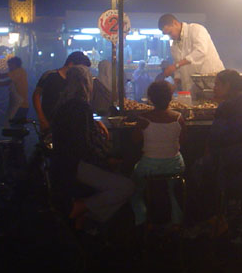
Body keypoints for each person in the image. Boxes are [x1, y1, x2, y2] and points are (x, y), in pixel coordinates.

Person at [50, 65, 134, 228]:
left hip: (61, 164)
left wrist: (94, 124)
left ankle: (86, 218)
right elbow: (86, 146)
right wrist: (106, 159)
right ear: (86, 84)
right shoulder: (81, 107)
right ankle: (83, 209)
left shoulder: (63, 105)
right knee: (127, 187)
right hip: (76, 166)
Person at [190, 69, 242, 236]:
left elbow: (215, 138)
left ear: (228, 85)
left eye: (217, 84)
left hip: (227, 163)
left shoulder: (226, 106)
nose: (214, 88)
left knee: (194, 169)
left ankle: (209, 218)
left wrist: (207, 154)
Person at [130, 81, 186, 229]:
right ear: (170, 98)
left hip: (149, 167)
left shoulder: (143, 119)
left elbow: (134, 140)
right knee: (173, 190)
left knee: (135, 190)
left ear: (150, 98)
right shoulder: (179, 118)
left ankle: (142, 219)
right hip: (175, 165)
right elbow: (182, 140)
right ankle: (176, 222)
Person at [158, 14, 224, 94]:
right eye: (167, 35)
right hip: (191, 90)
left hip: (212, 84)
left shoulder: (196, 29)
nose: (170, 37)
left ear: (175, 23)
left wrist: (176, 65)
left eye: (170, 32)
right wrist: (174, 85)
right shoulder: (174, 46)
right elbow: (178, 71)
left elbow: (200, 51)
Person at [33, 51, 91, 133]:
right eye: (80, 68)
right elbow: (36, 96)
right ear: (70, 64)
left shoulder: (76, 81)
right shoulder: (50, 76)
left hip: (68, 125)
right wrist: (42, 119)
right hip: (49, 122)